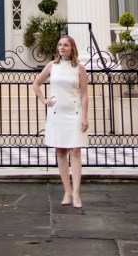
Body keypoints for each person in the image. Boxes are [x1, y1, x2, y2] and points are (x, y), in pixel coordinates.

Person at [32, 35, 89, 208]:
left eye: (65, 45)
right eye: (59, 45)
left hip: (74, 113)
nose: (62, 47)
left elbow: (84, 95)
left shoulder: (79, 68)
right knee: (61, 151)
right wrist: (44, 100)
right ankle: (67, 191)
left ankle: (76, 193)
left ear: (72, 48)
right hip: (57, 114)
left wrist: (85, 117)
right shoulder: (52, 66)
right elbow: (36, 83)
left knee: (76, 151)